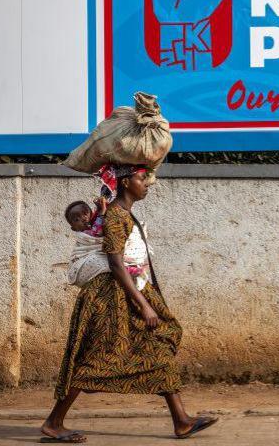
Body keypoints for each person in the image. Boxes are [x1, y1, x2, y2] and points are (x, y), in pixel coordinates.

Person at [41, 165, 217, 443]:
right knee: (96, 360)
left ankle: (182, 421)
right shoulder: (114, 217)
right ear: (124, 183)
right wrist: (144, 305)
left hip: (124, 295)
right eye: (141, 178)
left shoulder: (123, 213)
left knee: (157, 349)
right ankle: (54, 422)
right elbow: (115, 263)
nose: (147, 183)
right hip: (110, 300)